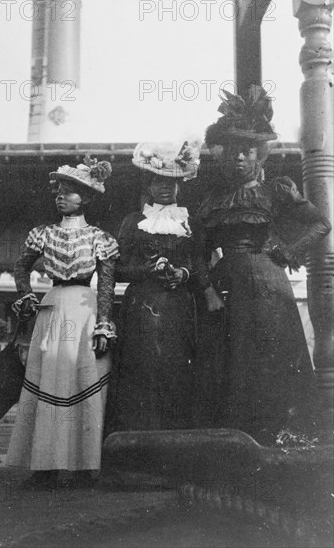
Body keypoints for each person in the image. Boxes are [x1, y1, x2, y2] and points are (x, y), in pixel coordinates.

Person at [193, 85, 331, 444]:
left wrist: (289, 250)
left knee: (274, 352)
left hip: (269, 282)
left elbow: (320, 224)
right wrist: (207, 289)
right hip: (227, 286)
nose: (238, 158)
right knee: (232, 356)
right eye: (233, 151)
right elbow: (198, 251)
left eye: (246, 151)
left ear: (258, 155)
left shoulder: (276, 190)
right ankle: (236, 439)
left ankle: (283, 437)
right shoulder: (213, 200)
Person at [6, 158, 119, 489]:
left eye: (69, 192)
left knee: (83, 382)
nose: (61, 196)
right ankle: (44, 467)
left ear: (84, 198)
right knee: (50, 381)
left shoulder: (100, 238)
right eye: (59, 191)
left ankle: (86, 467)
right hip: (52, 308)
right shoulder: (43, 234)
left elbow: (108, 285)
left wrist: (104, 323)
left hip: (84, 311)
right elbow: (20, 267)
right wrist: (26, 295)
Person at [107, 141, 205, 432]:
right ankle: (139, 437)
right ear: (148, 185)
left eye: (171, 183)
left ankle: (176, 439)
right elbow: (117, 269)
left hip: (179, 306)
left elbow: (199, 262)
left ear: (179, 187)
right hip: (142, 305)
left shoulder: (190, 221)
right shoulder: (133, 221)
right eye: (158, 182)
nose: (165, 188)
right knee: (143, 367)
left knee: (176, 367)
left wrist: (183, 273)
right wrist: (144, 270)